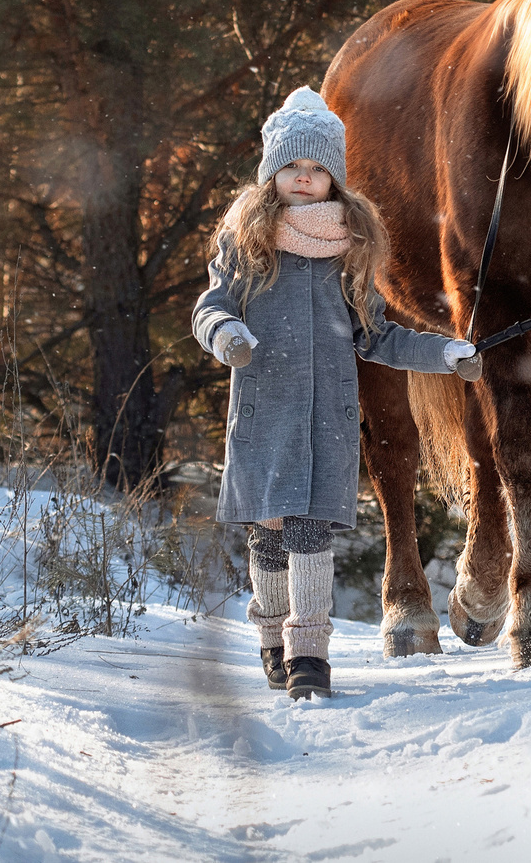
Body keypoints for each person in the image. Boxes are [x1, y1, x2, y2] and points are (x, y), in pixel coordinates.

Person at [193, 86, 476, 699]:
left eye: (317, 168)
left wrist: (445, 353)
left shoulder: (347, 251)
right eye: (293, 166)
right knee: (269, 533)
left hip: (327, 421)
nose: (304, 178)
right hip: (267, 412)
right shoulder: (247, 242)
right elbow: (210, 307)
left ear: (334, 179)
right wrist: (227, 334)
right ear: (273, 174)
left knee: (309, 533)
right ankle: (271, 635)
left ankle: (309, 657)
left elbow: (377, 336)